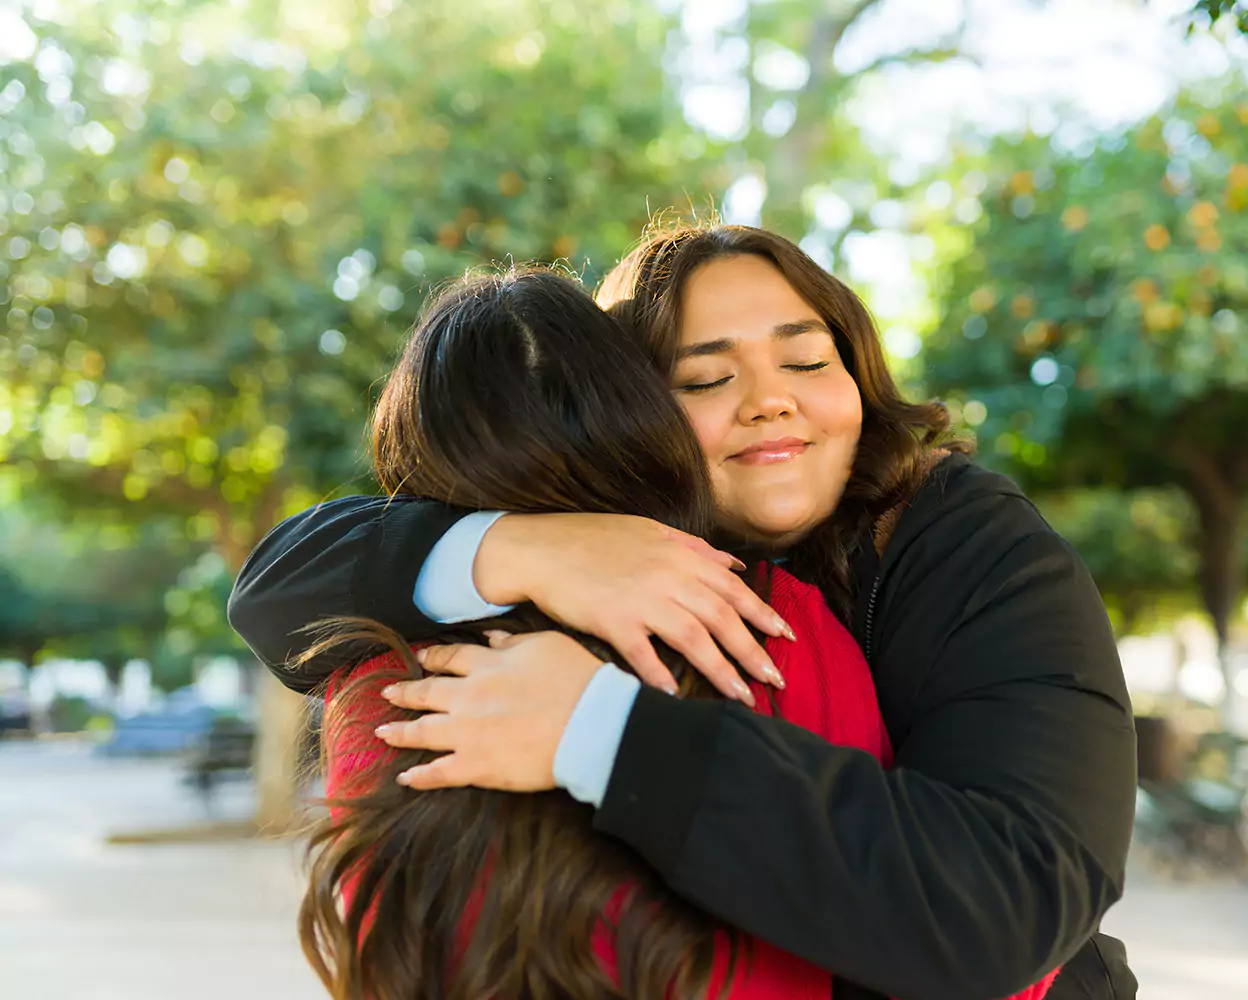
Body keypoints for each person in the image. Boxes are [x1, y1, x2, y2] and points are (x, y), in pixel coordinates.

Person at [229, 224, 1139, 999]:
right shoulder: (548, 587)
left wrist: (597, 729)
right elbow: (276, 588)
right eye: (703, 379)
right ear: (628, 414)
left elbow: (1010, 910)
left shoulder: (963, 542)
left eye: (807, 359)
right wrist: (522, 549)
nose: (769, 397)